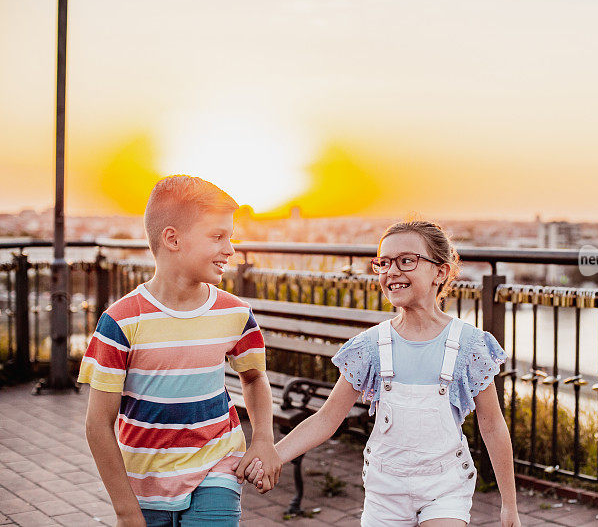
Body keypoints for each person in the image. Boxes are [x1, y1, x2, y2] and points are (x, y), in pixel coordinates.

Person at [243, 220, 522, 526]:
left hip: (446, 486)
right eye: (384, 263)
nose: (392, 272)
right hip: (385, 492)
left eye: (407, 261)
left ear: (440, 272)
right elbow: (326, 419)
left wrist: (509, 505)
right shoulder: (369, 347)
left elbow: (493, 425)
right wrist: (272, 455)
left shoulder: (469, 345)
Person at [78, 175, 281, 527]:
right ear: (172, 238)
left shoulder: (235, 313)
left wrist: (263, 438)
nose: (230, 249)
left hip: (217, 467)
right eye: (217, 236)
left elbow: (253, 377)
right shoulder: (120, 322)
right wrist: (126, 510)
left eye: (230, 237)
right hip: (144, 483)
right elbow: (98, 424)